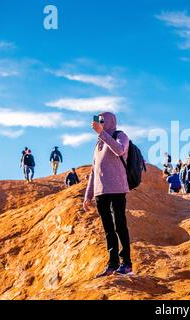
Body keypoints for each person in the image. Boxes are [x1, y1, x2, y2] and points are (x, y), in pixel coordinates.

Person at [83, 112, 133, 277]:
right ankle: (112, 264)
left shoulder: (121, 136)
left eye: (103, 120)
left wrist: (102, 133)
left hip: (117, 189)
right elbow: (93, 171)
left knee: (119, 226)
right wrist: (87, 196)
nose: (100, 123)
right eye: (98, 121)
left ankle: (126, 264)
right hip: (100, 192)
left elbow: (119, 150)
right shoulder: (98, 143)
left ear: (110, 121)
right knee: (108, 230)